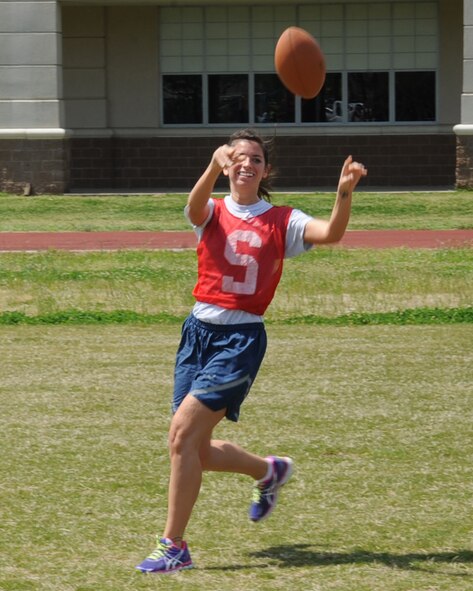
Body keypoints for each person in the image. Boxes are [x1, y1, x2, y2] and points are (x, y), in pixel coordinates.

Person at [136, 128, 367, 574]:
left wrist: (343, 195)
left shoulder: (282, 219)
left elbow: (332, 233)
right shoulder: (213, 210)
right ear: (227, 164)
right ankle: (269, 470)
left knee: (182, 436)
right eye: (238, 157)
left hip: (240, 339)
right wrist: (211, 164)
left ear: (266, 170)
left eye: (256, 159)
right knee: (194, 450)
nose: (247, 164)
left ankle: (173, 546)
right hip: (197, 333)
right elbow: (193, 207)